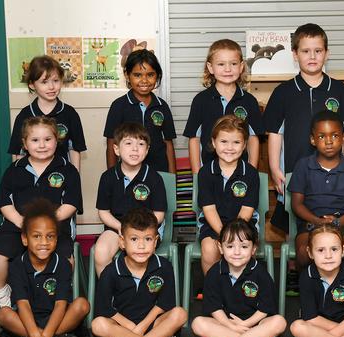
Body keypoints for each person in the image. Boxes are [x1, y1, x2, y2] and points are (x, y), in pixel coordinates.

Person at [264, 22, 344, 231]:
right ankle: (296, 263)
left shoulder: (340, 90)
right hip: (295, 172)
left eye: (318, 51)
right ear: (295, 54)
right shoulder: (282, 92)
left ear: (327, 53)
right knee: (296, 226)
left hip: (334, 174)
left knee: (334, 224)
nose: (312, 56)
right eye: (306, 51)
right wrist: (274, 168)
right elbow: (275, 134)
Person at [0, 116, 82, 310]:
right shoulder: (14, 171)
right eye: (35, 140)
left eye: (48, 139)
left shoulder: (68, 171)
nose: (42, 145)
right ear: (25, 144)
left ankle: (55, 299)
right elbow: (5, 204)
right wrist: (22, 223)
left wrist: (46, 223)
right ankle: (5, 299)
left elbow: (70, 205)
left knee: (65, 260)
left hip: (56, 227)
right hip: (18, 225)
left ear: (57, 140)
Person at [0, 198, 92, 337]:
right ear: (25, 239)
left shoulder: (62, 264)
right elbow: (23, 304)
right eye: (37, 236)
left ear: (56, 239)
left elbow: (60, 305)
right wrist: (35, 334)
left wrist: (44, 336)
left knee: (82, 305)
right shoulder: (17, 265)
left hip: (58, 318)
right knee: (3, 314)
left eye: (50, 236)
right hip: (27, 321)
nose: (43, 242)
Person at [92, 207, 187, 337]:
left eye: (148, 239)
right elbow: (104, 309)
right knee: (98, 325)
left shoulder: (164, 267)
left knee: (180, 314)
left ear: (156, 241)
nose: (141, 246)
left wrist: (142, 327)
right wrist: (130, 326)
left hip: (153, 324)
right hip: (122, 326)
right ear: (122, 242)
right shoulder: (111, 271)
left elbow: (165, 304)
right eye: (134, 239)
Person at [288, 110, 344, 279]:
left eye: (334, 136)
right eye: (321, 137)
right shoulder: (303, 165)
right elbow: (296, 204)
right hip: (312, 222)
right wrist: (317, 221)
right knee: (304, 255)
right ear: (312, 140)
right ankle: (313, 291)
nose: (328, 141)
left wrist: (338, 222)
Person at [189, 219, 287, 337]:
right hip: (226, 324)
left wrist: (244, 324)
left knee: (279, 322)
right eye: (230, 246)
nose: (236, 252)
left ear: (253, 249)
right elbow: (214, 307)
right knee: (198, 324)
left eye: (244, 247)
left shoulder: (261, 273)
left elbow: (265, 308)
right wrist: (231, 325)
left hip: (255, 325)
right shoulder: (214, 273)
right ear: (220, 247)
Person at [94, 122, 167, 276]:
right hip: (117, 228)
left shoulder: (154, 178)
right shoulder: (107, 177)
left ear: (147, 150)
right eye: (128, 143)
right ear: (116, 149)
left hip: (145, 230)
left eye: (141, 144)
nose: (135, 149)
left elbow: (159, 215)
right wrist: (121, 227)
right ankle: (110, 295)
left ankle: (139, 292)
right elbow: (103, 212)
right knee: (101, 251)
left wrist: (139, 231)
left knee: (138, 250)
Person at [184, 39, 264, 173]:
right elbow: (194, 140)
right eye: (221, 64)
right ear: (210, 67)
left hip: (241, 174)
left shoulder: (249, 101)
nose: (227, 69)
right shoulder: (201, 100)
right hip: (208, 174)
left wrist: (251, 172)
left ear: (241, 66)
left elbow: (253, 139)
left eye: (233, 63)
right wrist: (197, 174)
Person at [197, 115, 260, 275]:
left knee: (240, 249)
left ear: (244, 145)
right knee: (209, 249)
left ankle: (240, 290)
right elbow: (209, 209)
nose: (229, 148)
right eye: (224, 141)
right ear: (213, 142)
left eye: (236, 142)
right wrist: (224, 235)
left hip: (243, 225)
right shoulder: (205, 172)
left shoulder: (251, 173)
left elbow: (247, 210)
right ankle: (214, 291)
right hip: (213, 224)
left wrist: (233, 237)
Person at [8, 55, 87, 170]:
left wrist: (75, 180)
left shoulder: (70, 113)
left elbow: (74, 150)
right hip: (32, 180)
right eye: (44, 82)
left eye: (55, 81)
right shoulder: (24, 115)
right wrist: (20, 180)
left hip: (62, 178)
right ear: (31, 85)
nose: (51, 87)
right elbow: (19, 153)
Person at [104, 49, 177, 173]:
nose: (144, 80)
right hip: (127, 173)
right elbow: (111, 143)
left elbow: (168, 144)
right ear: (127, 75)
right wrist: (112, 177)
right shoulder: (118, 106)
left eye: (150, 75)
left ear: (157, 76)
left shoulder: (162, 106)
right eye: (137, 75)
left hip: (159, 173)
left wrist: (171, 178)